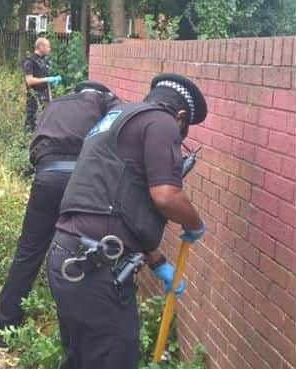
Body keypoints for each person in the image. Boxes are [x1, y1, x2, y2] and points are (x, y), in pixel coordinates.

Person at [46, 73, 208, 369]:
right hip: (95, 270)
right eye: (183, 130)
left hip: (67, 257)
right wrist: (194, 224)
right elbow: (166, 196)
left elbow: (118, 204)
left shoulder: (117, 118)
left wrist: (157, 263)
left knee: (80, 360)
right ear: (181, 116)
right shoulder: (162, 122)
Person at [0, 81, 122, 347]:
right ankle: (78, 334)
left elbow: (35, 144)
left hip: (47, 176)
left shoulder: (57, 104)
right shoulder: (107, 105)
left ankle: (5, 323)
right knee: (84, 252)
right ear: (101, 93)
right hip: (82, 182)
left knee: (29, 249)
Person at [22, 37, 62, 133]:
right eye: (48, 46)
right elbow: (29, 80)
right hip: (34, 97)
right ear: (41, 47)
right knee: (32, 122)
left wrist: (52, 81)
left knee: (44, 121)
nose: (49, 49)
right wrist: (47, 79)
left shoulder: (44, 61)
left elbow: (42, 76)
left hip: (45, 95)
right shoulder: (30, 61)